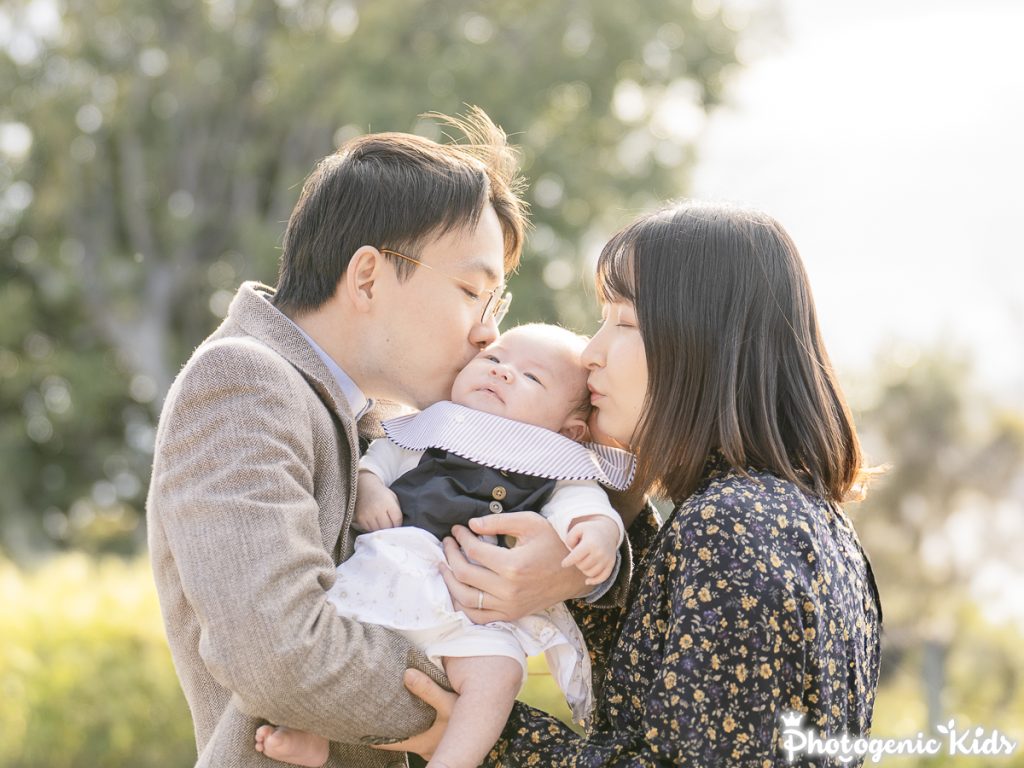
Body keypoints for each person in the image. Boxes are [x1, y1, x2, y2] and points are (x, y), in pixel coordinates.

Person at [146, 109, 600, 768]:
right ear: (367, 277)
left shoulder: (385, 423)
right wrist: (460, 714)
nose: (486, 335)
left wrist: (568, 567)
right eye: (474, 291)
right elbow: (280, 654)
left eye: (495, 308)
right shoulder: (244, 381)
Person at [387, 201, 883, 766]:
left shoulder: (734, 528)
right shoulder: (797, 519)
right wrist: (575, 570)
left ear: (701, 345)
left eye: (623, 322)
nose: (592, 353)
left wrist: (483, 735)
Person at [255, 323, 634, 768]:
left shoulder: (559, 463)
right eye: (493, 358)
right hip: (394, 573)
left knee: (500, 675)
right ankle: (313, 733)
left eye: (532, 378)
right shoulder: (436, 426)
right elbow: (377, 462)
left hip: (474, 618)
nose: (504, 372)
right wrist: (371, 490)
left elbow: (588, 509)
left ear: (570, 431)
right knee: (328, 629)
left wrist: (599, 535)